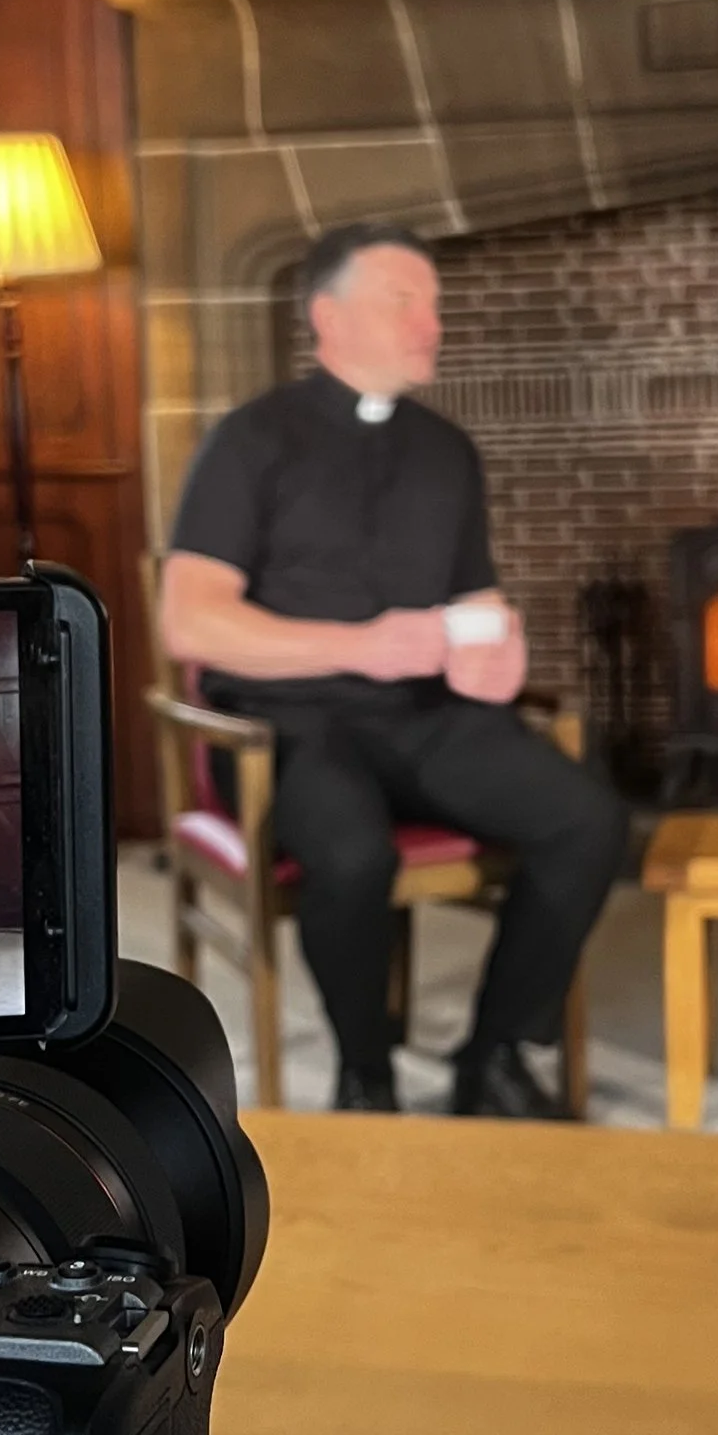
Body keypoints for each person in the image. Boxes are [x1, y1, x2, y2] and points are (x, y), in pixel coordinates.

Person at [161, 223, 628, 1117]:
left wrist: (500, 649)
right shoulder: (250, 441)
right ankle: (365, 1071)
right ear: (325, 316)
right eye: (401, 301)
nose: (430, 323)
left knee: (590, 819)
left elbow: (477, 600)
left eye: (434, 304)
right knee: (351, 854)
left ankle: (490, 1055)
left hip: (425, 715)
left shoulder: (447, 451)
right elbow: (191, 618)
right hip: (280, 721)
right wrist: (359, 643)